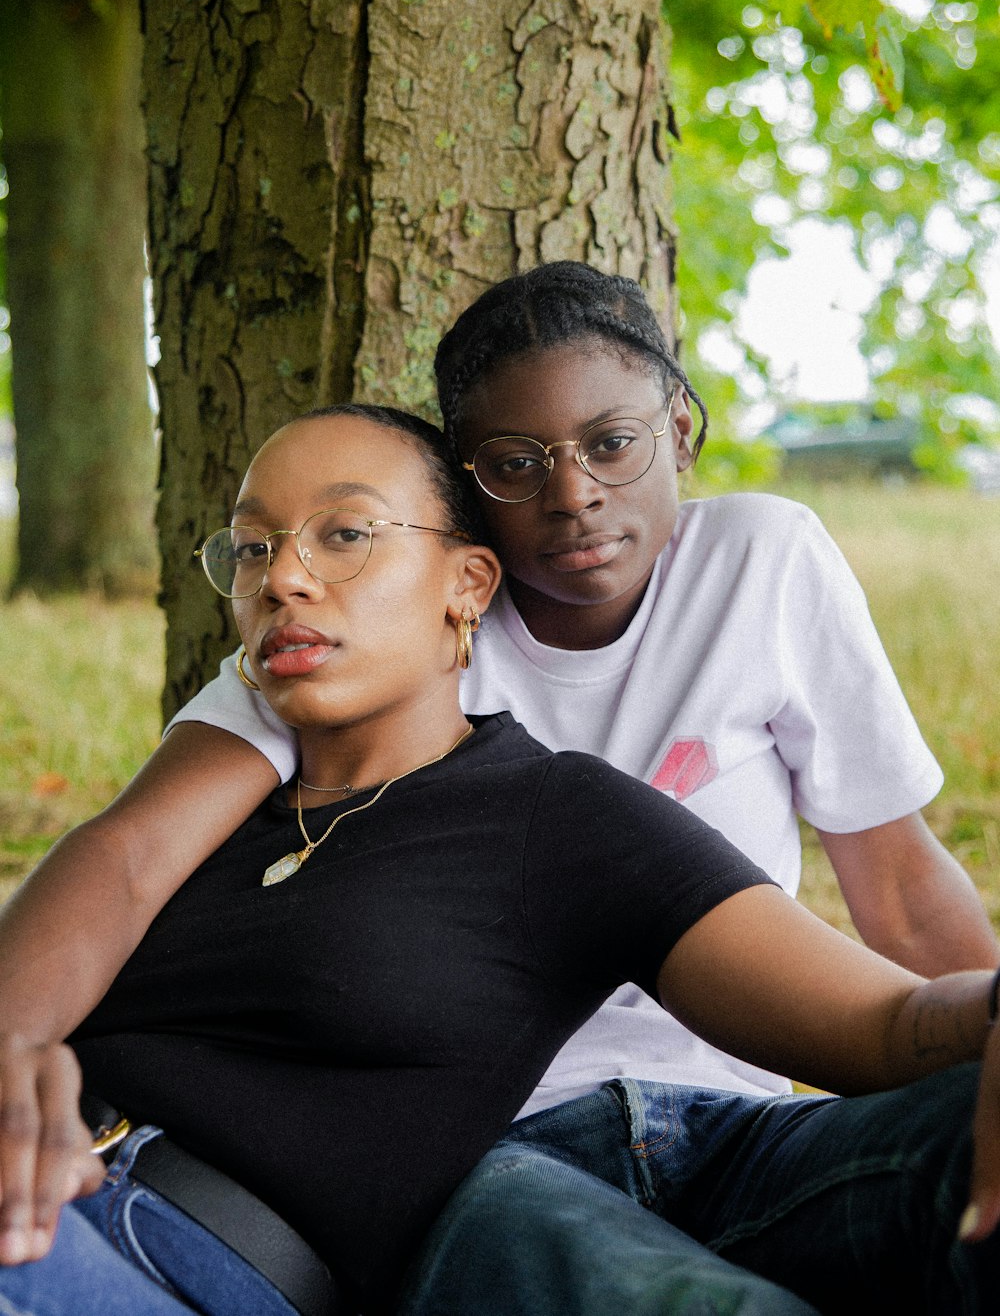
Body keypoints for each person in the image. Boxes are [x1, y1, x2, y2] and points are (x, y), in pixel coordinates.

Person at [0, 402, 999, 1316]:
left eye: (345, 534)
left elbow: (887, 1024)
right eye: (253, 548)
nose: (283, 579)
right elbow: (114, 869)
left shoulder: (558, 817)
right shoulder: (215, 795)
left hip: (170, 1259)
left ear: (465, 584)